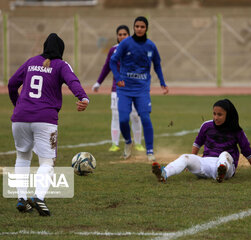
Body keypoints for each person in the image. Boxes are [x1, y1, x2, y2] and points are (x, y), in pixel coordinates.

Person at [8, 33, 89, 216]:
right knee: (47, 161)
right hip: (45, 119)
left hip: (20, 117)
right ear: (61, 50)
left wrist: (18, 105)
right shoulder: (61, 65)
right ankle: (39, 197)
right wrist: (83, 98)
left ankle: (22, 198)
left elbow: (12, 84)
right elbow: (72, 81)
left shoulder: (31, 62)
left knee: (22, 157)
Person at [152, 99, 251, 183]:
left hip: (228, 166)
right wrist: (190, 162)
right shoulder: (206, 126)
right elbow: (197, 144)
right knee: (185, 157)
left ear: (228, 115)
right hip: (206, 164)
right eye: (214, 114)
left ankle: (221, 172)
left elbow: (248, 153)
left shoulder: (237, 131)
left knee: (224, 154)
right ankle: (164, 173)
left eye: (220, 115)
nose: (215, 117)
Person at [110, 16, 169, 161]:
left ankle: (149, 151)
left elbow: (157, 65)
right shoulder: (125, 44)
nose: (139, 29)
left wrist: (162, 82)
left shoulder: (151, 46)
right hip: (125, 89)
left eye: (142, 26)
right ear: (134, 27)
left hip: (142, 89)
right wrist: (118, 79)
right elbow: (113, 61)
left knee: (146, 118)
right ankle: (128, 142)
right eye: (137, 26)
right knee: (123, 120)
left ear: (146, 28)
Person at [92, 25, 145, 153]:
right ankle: (115, 144)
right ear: (117, 36)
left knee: (135, 116)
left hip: (133, 89)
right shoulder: (113, 50)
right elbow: (107, 67)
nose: (122, 36)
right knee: (116, 116)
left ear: (129, 35)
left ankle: (138, 144)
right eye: (120, 34)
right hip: (117, 89)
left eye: (124, 34)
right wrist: (98, 82)